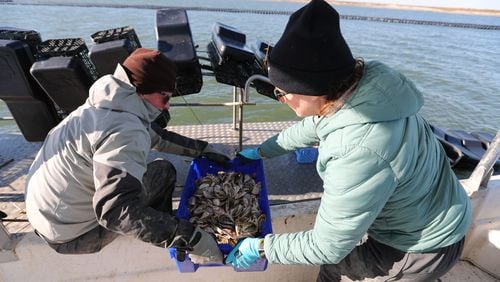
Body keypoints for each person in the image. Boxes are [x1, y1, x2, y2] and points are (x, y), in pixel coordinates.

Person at [226, 0, 472, 281]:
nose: (281, 99)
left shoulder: (356, 150)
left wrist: (260, 247)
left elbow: (326, 247)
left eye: (282, 92)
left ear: (311, 90)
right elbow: (314, 126)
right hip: (442, 212)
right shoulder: (369, 90)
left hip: (421, 246)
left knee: (333, 271)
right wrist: (261, 151)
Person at [25, 48, 226, 263]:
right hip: (74, 236)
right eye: (165, 97)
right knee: (163, 172)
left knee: (156, 168)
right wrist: (189, 238)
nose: (168, 105)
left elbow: (156, 137)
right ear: (141, 90)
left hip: (48, 220)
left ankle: (158, 226)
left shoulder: (107, 101)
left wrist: (202, 149)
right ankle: (163, 234)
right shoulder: (125, 130)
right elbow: (115, 211)